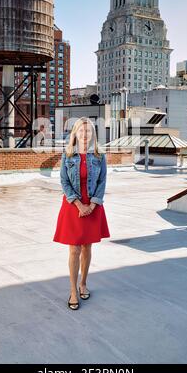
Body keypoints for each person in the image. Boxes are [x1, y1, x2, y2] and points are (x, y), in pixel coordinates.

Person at [53, 117, 110, 310]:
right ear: (75, 134)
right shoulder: (67, 155)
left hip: (93, 207)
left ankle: (83, 283)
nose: (85, 135)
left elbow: (102, 182)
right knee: (74, 250)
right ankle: (72, 290)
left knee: (87, 248)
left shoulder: (99, 155)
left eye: (88, 131)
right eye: (81, 131)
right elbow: (64, 182)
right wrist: (78, 204)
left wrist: (92, 206)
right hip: (73, 206)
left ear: (93, 134)